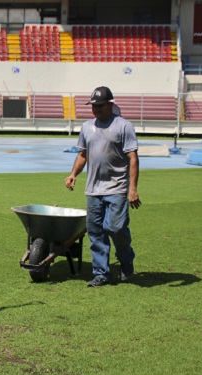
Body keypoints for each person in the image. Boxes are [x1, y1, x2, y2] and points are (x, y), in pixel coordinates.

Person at [64, 86, 141, 287]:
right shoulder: (87, 127)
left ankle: (126, 259)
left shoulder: (124, 126)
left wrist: (132, 189)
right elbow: (82, 155)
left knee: (115, 228)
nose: (95, 109)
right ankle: (101, 273)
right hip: (93, 189)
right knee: (95, 231)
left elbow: (133, 158)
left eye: (99, 105)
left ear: (110, 104)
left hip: (117, 187)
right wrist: (73, 174)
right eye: (93, 105)